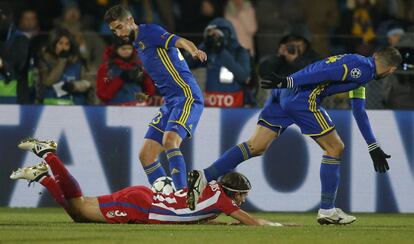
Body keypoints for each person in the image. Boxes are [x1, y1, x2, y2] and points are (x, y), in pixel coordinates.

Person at [187, 47, 402, 225]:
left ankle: (204, 175)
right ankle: (327, 209)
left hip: (286, 94)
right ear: (391, 70)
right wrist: (290, 81)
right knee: (335, 147)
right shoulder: (362, 69)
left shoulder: (362, 69)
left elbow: (359, 111)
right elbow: (326, 73)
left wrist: (373, 146)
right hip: (303, 95)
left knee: (256, 146)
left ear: (376, 55)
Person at [10, 138, 281, 226]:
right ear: (232, 192)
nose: (243, 200)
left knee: (78, 212)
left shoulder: (212, 192)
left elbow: (197, 215)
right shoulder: (222, 200)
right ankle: (48, 155)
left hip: (143, 197)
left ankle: (44, 176)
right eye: (242, 195)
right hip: (142, 207)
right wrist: (277, 226)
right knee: (79, 210)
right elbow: (252, 222)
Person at [104, 5, 207, 191]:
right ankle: (168, 199)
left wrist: (193, 51)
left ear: (130, 21)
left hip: (186, 95)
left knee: (170, 141)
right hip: (171, 102)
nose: (118, 33)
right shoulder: (137, 44)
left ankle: (182, 199)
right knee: (146, 156)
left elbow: (181, 41)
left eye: (119, 27)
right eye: (113, 30)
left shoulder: (150, 32)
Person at [187, 18, 251, 108]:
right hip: (210, 105)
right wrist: (204, 46)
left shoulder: (239, 51)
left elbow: (243, 76)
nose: (212, 38)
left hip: (234, 106)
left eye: (215, 34)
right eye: (209, 35)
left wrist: (221, 51)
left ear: (226, 33)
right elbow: (187, 64)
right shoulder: (207, 52)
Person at [38, 28, 95, 105]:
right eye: (60, 43)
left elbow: (88, 82)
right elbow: (48, 82)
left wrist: (73, 86)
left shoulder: (78, 62)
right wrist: (62, 61)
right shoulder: (45, 61)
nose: (63, 47)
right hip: (51, 109)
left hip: (75, 109)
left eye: (67, 44)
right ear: (53, 44)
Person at [96, 39, 156, 105]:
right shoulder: (106, 68)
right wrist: (120, 79)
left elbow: (150, 93)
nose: (127, 51)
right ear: (116, 49)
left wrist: (145, 79)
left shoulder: (140, 67)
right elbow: (103, 95)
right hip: (114, 108)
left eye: (129, 48)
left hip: (138, 108)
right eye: (123, 49)